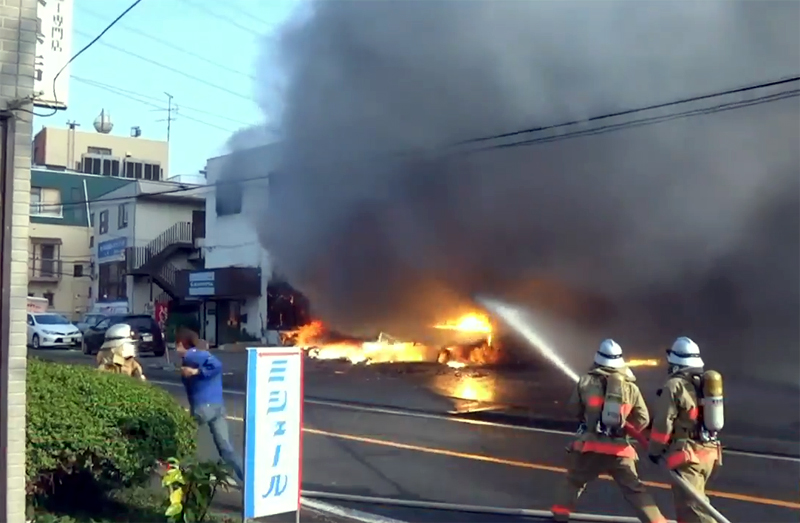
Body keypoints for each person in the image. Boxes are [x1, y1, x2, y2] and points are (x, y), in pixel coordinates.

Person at [551, 339, 666, 523]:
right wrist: (624, 431)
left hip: (591, 446)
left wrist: (589, 421)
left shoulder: (586, 381)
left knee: (574, 482)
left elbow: (573, 409)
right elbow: (643, 418)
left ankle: (560, 517)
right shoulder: (631, 387)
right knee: (635, 490)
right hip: (620, 450)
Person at [648, 337, 722, 523]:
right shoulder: (702, 384)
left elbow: (663, 423)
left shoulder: (674, 386)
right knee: (690, 507)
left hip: (689, 458)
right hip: (709, 454)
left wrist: (654, 451)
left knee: (695, 509)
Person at [176, 326, 244, 485]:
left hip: (202, 408)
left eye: (176, 345)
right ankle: (247, 480)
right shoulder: (194, 356)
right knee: (226, 448)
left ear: (181, 344)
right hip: (217, 407)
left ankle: (182, 476)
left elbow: (216, 364)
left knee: (183, 438)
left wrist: (195, 372)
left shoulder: (191, 356)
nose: (175, 349)